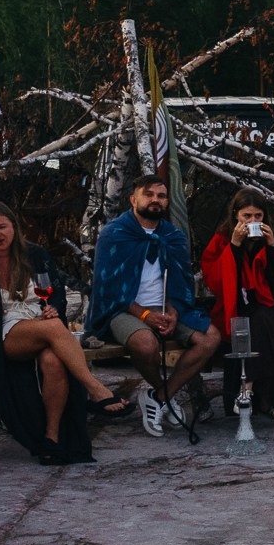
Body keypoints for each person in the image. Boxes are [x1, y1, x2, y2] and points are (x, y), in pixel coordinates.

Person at [0, 202, 131, 464]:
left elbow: (55, 296)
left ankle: (51, 437)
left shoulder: (35, 254)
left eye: (2, 226)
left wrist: (52, 310)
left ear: (14, 227)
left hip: (41, 327)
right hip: (2, 332)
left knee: (53, 361)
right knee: (55, 329)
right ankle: (95, 388)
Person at [88, 174, 222, 438]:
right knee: (146, 343)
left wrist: (172, 311)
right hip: (124, 309)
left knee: (210, 339)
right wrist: (145, 315)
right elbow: (109, 288)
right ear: (133, 198)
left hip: (166, 307)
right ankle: (166, 395)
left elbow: (181, 281)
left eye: (161, 196)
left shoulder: (172, 236)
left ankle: (159, 397)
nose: (155, 200)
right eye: (148, 194)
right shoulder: (114, 234)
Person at [200, 190, 274, 430]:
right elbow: (216, 282)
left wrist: (271, 248)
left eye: (258, 215)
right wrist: (235, 246)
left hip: (264, 305)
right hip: (232, 307)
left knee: (261, 319)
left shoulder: (270, 238)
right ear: (236, 215)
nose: (253, 221)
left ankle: (246, 390)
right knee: (259, 324)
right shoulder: (223, 238)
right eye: (247, 216)